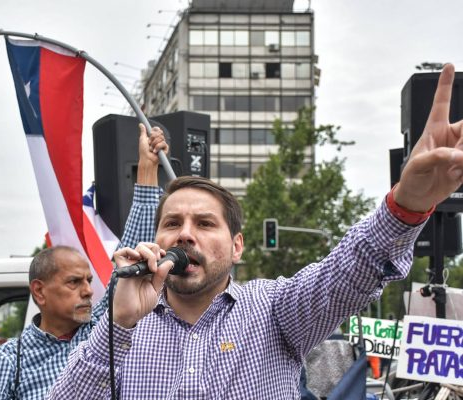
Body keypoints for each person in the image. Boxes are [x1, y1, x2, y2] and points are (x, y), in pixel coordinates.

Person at [48, 64, 463, 399]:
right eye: (172, 223)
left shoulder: (273, 309)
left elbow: (348, 271)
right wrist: (118, 327)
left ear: (237, 246)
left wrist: (408, 202)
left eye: (205, 223)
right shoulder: (121, 327)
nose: (185, 235)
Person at [0, 124, 168, 400]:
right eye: (74, 282)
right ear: (39, 291)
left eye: (88, 280)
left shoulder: (101, 332)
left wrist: (147, 169)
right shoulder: (9, 361)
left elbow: (132, 260)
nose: (89, 290)